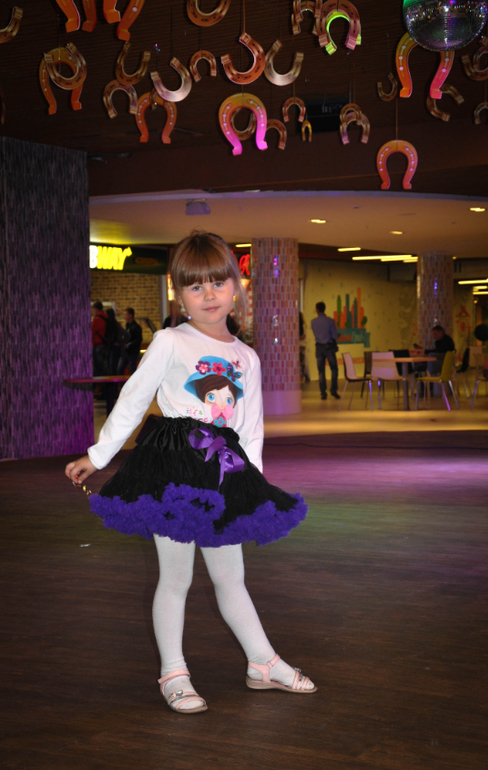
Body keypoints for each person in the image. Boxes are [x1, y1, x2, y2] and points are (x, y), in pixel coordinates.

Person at [65, 231, 316, 715]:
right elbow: (134, 398)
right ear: (179, 294)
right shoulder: (170, 341)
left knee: (231, 577)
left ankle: (262, 663)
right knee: (175, 577)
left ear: (236, 287)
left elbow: (250, 429)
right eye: (195, 286)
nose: (208, 295)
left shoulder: (248, 357)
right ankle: (174, 672)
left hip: (222, 474)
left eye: (218, 283)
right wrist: (97, 456)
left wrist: (253, 489)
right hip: (173, 475)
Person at [310, 301, 340, 399]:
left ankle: (323, 393)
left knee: (321, 371)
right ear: (324, 309)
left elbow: (315, 334)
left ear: (317, 310)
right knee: (334, 369)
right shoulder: (330, 321)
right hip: (329, 347)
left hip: (319, 348)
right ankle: (333, 390)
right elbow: (334, 336)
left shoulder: (313, 322)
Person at [116, 307, 142, 375]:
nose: (124, 316)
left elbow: (138, 340)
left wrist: (128, 345)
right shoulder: (127, 326)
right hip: (126, 352)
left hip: (133, 352)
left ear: (130, 315)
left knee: (132, 370)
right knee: (120, 370)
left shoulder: (136, 327)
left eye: (125, 314)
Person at [91, 301, 108, 378]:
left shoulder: (97, 319)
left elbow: (91, 331)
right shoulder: (106, 317)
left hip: (97, 345)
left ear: (96, 309)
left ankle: (98, 384)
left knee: (97, 367)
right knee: (102, 366)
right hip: (105, 344)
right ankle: (102, 383)